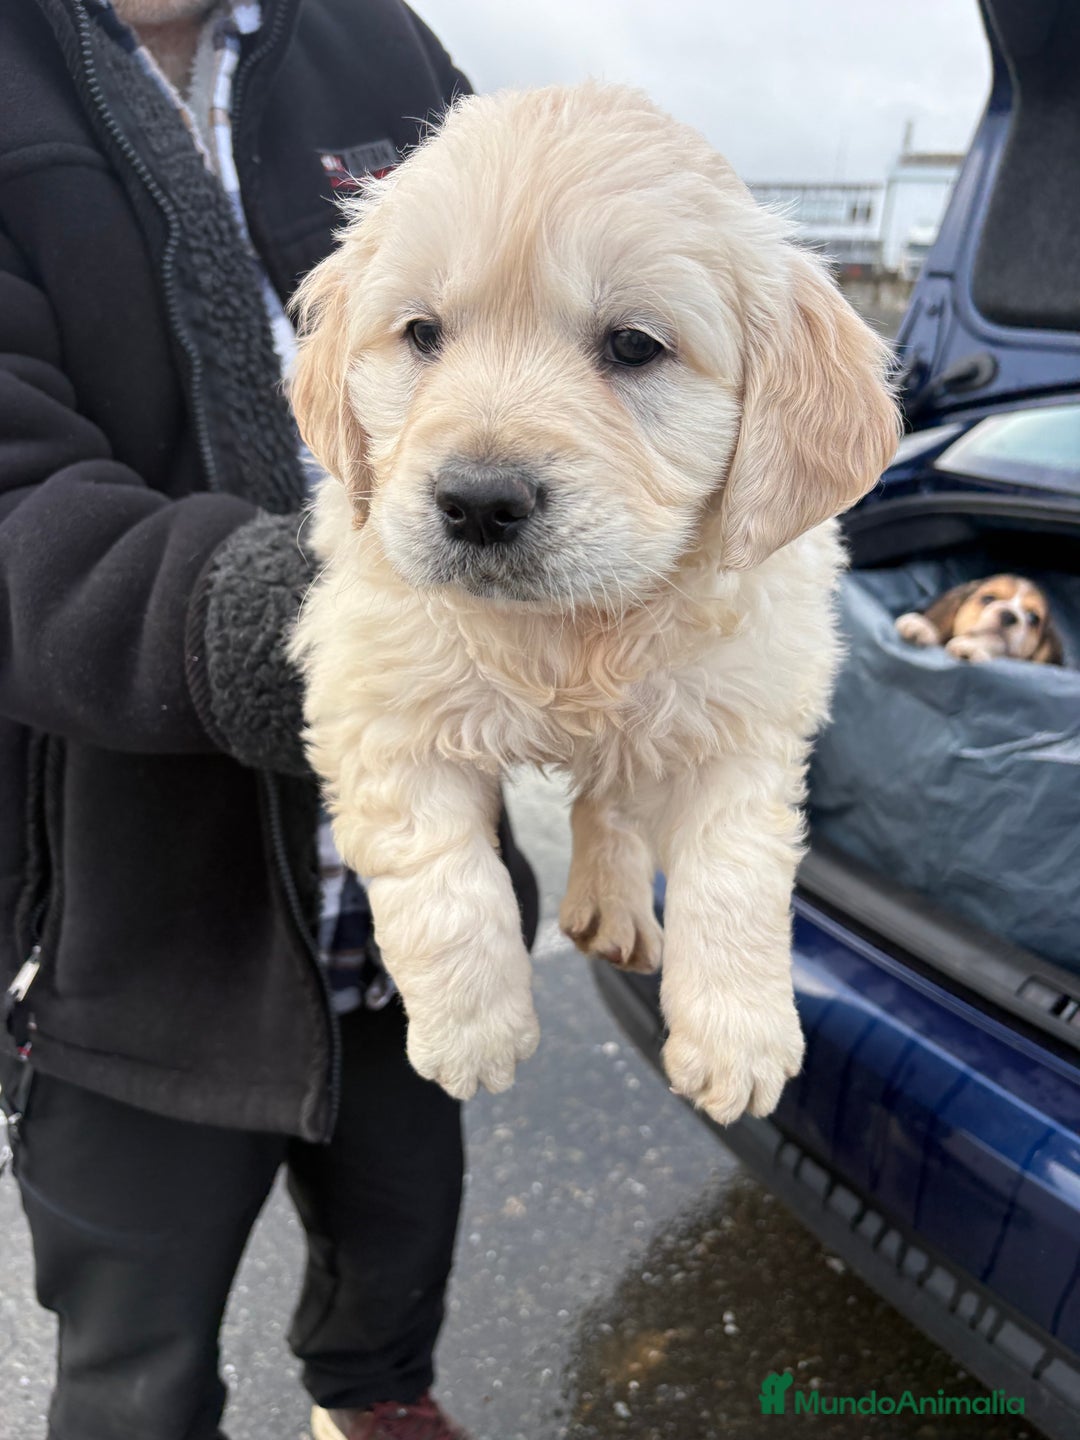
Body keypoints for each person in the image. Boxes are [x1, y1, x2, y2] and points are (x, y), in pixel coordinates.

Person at [0, 3, 538, 1438]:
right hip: (132, 918)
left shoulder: (384, 46)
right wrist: (331, 629)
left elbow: (537, 321)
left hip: (419, 878)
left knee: (401, 1236)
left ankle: (375, 1396)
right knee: (136, 1363)